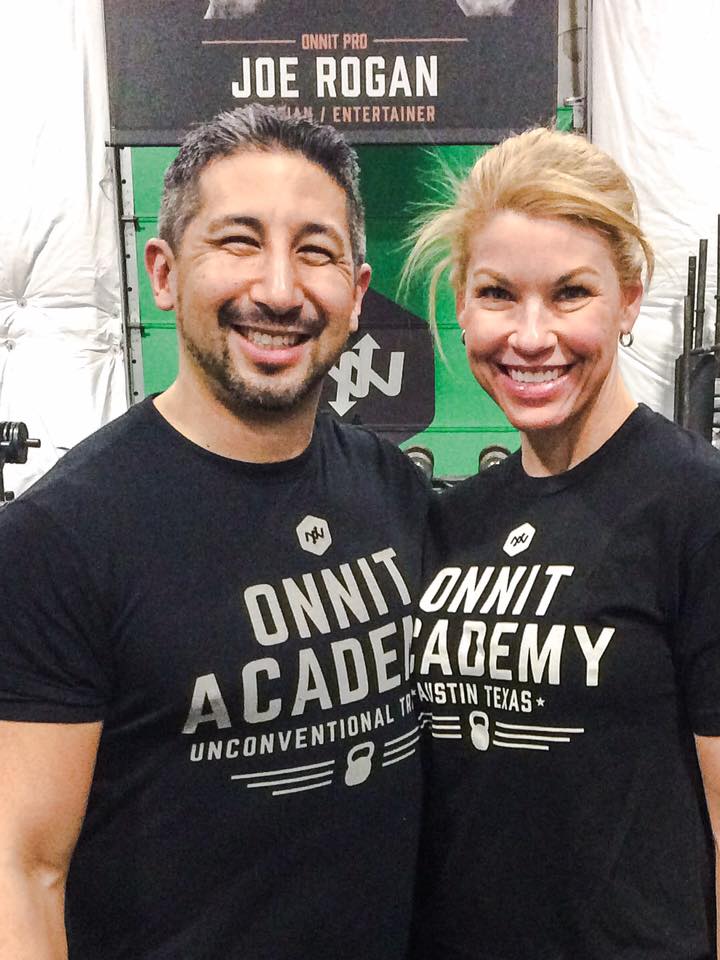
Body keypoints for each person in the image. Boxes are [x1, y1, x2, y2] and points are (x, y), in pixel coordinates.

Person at [0, 105, 430, 960]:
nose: (277, 289)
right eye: (237, 241)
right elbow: (22, 867)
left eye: (315, 251)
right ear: (162, 271)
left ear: (354, 294)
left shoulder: (394, 490)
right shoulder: (59, 536)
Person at [407, 126, 720, 958]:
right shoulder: (451, 520)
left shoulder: (696, 504)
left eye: (571, 294)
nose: (531, 335)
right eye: (498, 293)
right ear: (461, 302)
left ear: (628, 297)